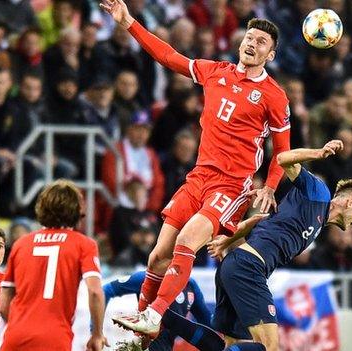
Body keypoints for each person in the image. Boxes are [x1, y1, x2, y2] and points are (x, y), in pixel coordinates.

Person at [102, 0, 291, 335]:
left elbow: (283, 152)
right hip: (198, 177)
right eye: (249, 37)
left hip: (232, 185)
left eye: (262, 42)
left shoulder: (274, 97)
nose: (252, 44)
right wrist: (128, 22)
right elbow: (166, 56)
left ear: (271, 54)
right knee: (157, 257)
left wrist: (271, 186)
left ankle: (154, 316)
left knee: (187, 241)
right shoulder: (214, 71)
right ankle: (140, 332)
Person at [149, 140, 352, 351]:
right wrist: (318, 153)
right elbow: (284, 158)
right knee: (268, 346)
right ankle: (157, 315)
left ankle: (161, 315)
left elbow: (262, 220)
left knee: (230, 344)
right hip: (249, 268)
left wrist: (228, 239)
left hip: (235, 265)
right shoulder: (319, 193)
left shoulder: (315, 216)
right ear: (349, 201)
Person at [0, 179, 107, 350]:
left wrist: (22, 327)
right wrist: (97, 334)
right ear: (78, 212)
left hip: (15, 337)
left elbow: (4, 303)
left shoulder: (21, 244)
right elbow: (94, 292)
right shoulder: (84, 244)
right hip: (54, 338)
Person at [105, 271, 218, 351]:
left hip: (166, 346)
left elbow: (208, 322)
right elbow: (105, 290)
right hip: (142, 344)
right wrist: (96, 330)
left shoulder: (190, 285)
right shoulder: (144, 278)